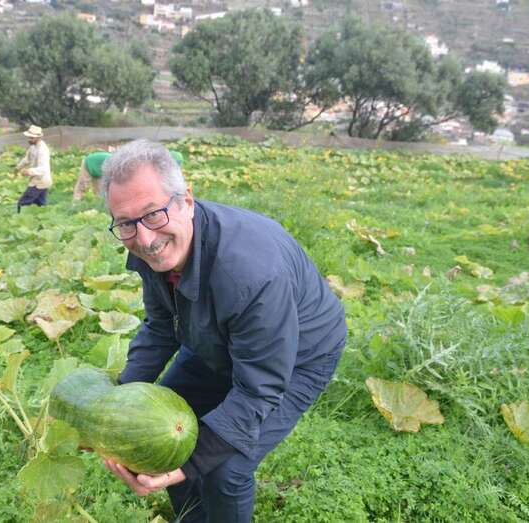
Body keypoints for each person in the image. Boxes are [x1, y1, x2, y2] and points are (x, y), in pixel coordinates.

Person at [99, 139, 347, 523]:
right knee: (166, 435)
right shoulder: (153, 243)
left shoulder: (252, 274)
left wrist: (194, 462)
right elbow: (162, 324)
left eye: (153, 214)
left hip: (298, 356)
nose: (145, 239)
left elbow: (258, 387)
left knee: (224, 470)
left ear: (186, 200)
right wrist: (117, 405)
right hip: (214, 339)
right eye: (127, 223)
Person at [73, 149, 184, 200]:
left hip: (101, 168)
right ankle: (76, 200)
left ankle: (99, 202)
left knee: (99, 188)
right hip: (90, 163)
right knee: (83, 184)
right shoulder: (118, 167)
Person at [15, 124, 52, 213]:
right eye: (29, 137)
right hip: (38, 179)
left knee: (22, 203)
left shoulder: (42, 150)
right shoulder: (33, 147)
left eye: (31, 138)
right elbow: (27, 159)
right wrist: (18, 167)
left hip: (40, 180)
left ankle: (18, 220)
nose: (29, 139)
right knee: (40, 205)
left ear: (38, 138)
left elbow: (43, 168)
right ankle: (44, 221)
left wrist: (29, 171)